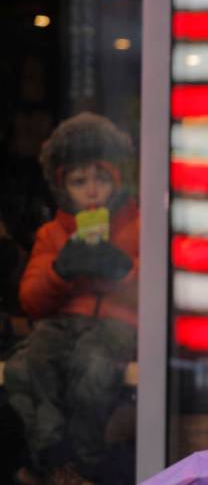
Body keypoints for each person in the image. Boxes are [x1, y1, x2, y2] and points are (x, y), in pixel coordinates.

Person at [4, 113, 139, 484]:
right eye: (80, 182)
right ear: (63, 189)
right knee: (27, 365)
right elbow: (31, 301)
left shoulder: (137, 224)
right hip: (61, 323)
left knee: (93, 364)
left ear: (118, 179)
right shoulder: (52, 233)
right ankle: (52, 455)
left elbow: (157, 294)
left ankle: (82, 461)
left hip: (117, 324)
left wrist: (122, 269)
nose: (92, 191)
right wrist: (60, 271)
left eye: (101, 179)